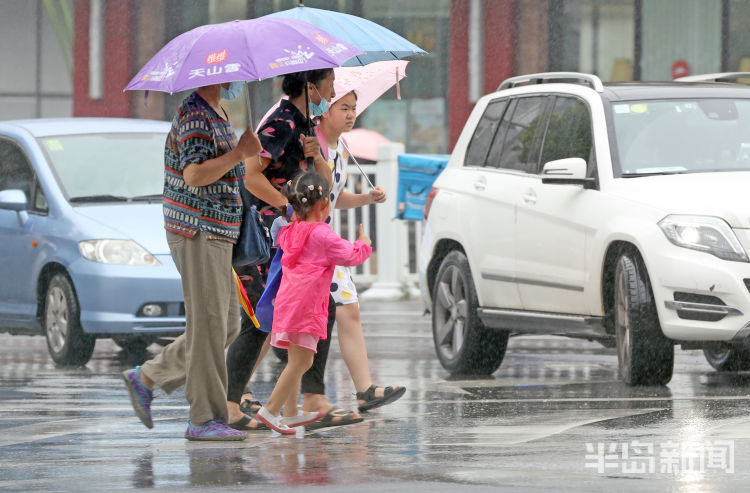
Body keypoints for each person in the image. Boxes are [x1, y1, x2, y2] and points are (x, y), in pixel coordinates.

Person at [121, 81, 262, 441]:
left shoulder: (216, 112)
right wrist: (238, 153)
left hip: (219, 232)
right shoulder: (195, 115)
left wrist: (247, 155)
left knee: (226, 324)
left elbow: (223, 172)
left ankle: (149, 376)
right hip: (198, 230)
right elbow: (194, 175)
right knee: (210, 325)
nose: (233, 79)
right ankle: (203, 417)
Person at [225, 69, 363, 431]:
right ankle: (230, 406)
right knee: (259, 322)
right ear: (310, 85)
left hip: (289, 237)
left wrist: (317, 157)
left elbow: (323, 184)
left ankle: (299, 402)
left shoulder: (305, 123)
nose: (333, 90)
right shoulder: (282, 121)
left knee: (301, 314)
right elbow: (251, 174)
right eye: (329, 83)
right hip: (266, 236)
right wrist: (287, 209)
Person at [254, 171, 372, 433]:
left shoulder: (289, 231)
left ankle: (292, 413)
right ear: (323, 205)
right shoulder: (321, 233)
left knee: (296, 359)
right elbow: (349, 255)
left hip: (289, 302)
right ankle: (271, 410)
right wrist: (364, 244)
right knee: (302, 362)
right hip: (307, 306)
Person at [316, 90, 406, 412]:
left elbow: (334, 198)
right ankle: (236, 390)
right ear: (325, 111)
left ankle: (365, 390)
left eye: (354, 108)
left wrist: (367, 198)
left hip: (323, 241)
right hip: (306, 243)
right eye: (344, 108)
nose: (352, 114)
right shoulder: (313, 145)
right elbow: (313, 195)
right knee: (271, 324)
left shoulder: (340, 147)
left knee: (349, 308)